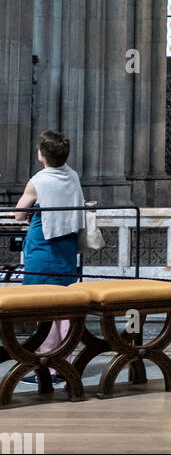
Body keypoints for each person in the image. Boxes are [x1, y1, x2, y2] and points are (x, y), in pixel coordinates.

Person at [15, 131, 86, 372]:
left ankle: (46, 366)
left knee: (44, 307)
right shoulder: (73, 175)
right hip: (66, 247)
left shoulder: (38, 181)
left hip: (43, 248)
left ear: (42, 155)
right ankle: (63, 362)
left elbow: (18, 214)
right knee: (64, 307)